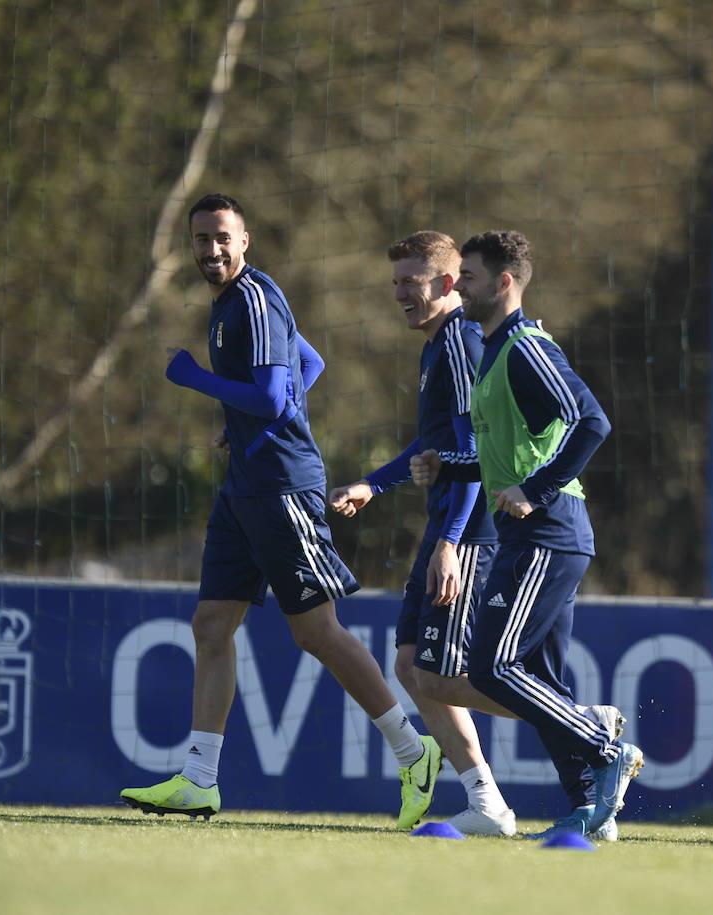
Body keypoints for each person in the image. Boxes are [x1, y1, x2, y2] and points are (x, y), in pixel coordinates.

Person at [121, 194, 439, 828]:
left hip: (282, 487)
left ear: (245, 240)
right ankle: (199, 780)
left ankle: (415, 750)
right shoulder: (231, 304)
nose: (211, 249)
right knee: (211, 625)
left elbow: (271, 396)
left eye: (221, 237)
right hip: (244, 488)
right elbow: (308, 364)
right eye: (201, 239)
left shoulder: (256, 298)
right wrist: (238, 421)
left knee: (314, 632)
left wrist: (195, 380)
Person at [410, 230, 643, 840]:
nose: (458, 285)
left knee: (491, 668)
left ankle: (601, 738)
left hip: (549, 531)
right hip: (530, 534)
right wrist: (451, 464)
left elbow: (592, 422)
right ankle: (593, 809)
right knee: (538, 680)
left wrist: (535, 492)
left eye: (471, 276)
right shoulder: (489, 353)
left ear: (504, 283)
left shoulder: (524, 346)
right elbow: (512, 455)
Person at [327, 231, 514, 835]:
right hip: (447, 525)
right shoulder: (437, 346)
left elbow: (471, 448)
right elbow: (434, 439)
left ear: (448, 282)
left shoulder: (459, 341)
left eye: (412, 280)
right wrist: (373, 485)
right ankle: (487, 802)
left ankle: (583, 726)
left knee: (436, 672)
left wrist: (452, 542)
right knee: (413, 667)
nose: (401, 293)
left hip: (469, 530)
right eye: (396, 282)